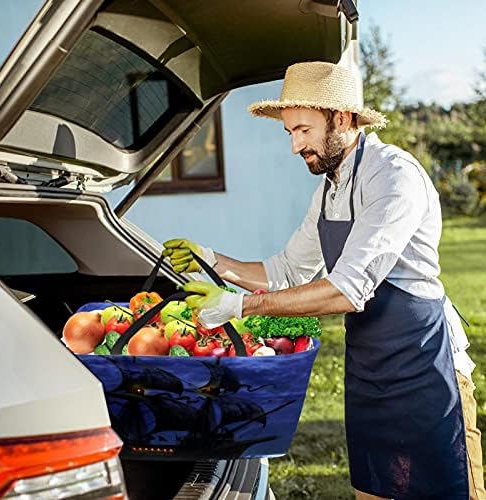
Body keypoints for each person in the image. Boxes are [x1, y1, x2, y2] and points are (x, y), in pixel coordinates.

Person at [162, 62, 485, 500]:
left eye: (303, 130)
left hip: (425, 365)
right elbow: (288, 271)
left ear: (342, 118)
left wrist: (241, 306)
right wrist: (214, 260)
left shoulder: (393, 177)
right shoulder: (330, 188)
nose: (295, 146)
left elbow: (348, 289)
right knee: (374, 490)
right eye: (290, 133)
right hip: (369, 367)